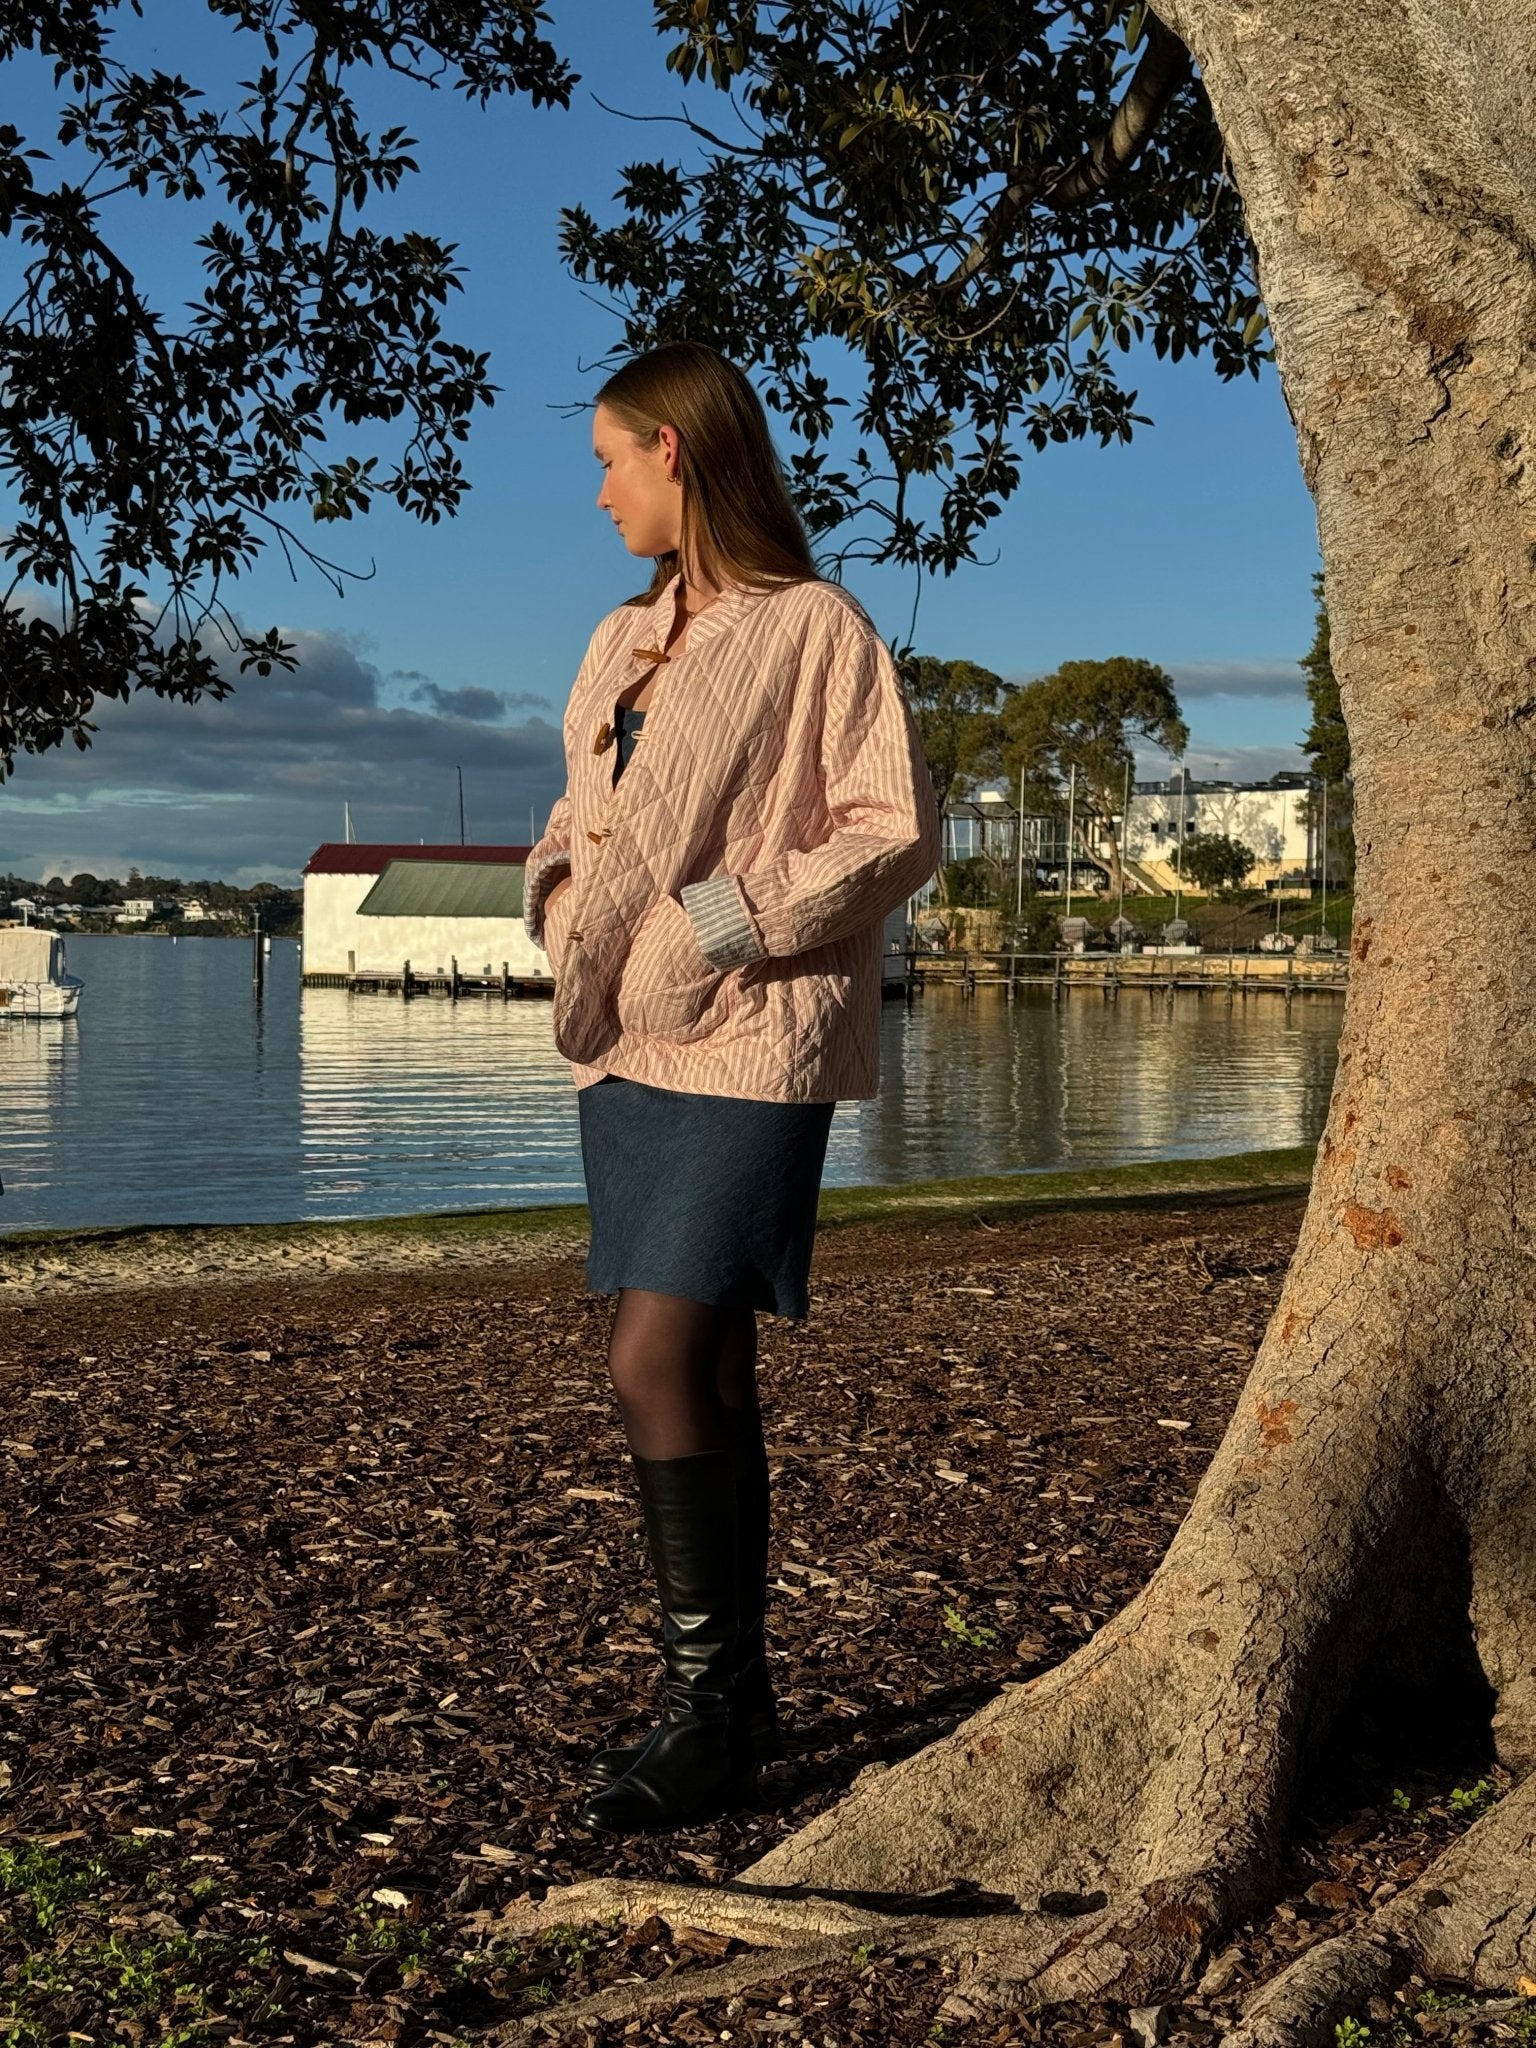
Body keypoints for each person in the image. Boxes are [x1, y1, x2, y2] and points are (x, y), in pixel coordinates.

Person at [523, 340, 940, 1835]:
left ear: (678, 455)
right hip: (625, 1043)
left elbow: (894, 830)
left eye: (609, 460)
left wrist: (731, 920)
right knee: (703, 1369)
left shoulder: (816, 628)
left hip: (755, 1032)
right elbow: (577, 812)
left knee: (652, 1355)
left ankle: (703, 1708)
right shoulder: (618, 639)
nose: (600, 493)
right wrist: (562, 897)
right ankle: (738, 1696)